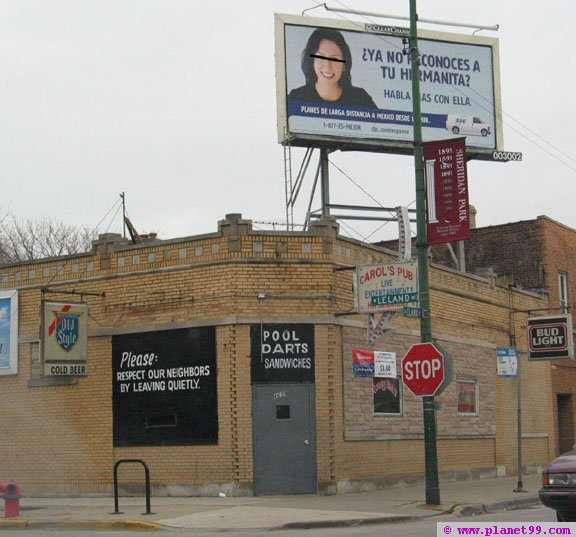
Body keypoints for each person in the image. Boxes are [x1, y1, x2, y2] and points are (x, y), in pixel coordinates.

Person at [288, 28, 377, 108]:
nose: (327, 65)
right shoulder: (296, 98)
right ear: (312, 61)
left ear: (344, 65)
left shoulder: (361, 99)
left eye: (335, 59)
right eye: (321, 57)